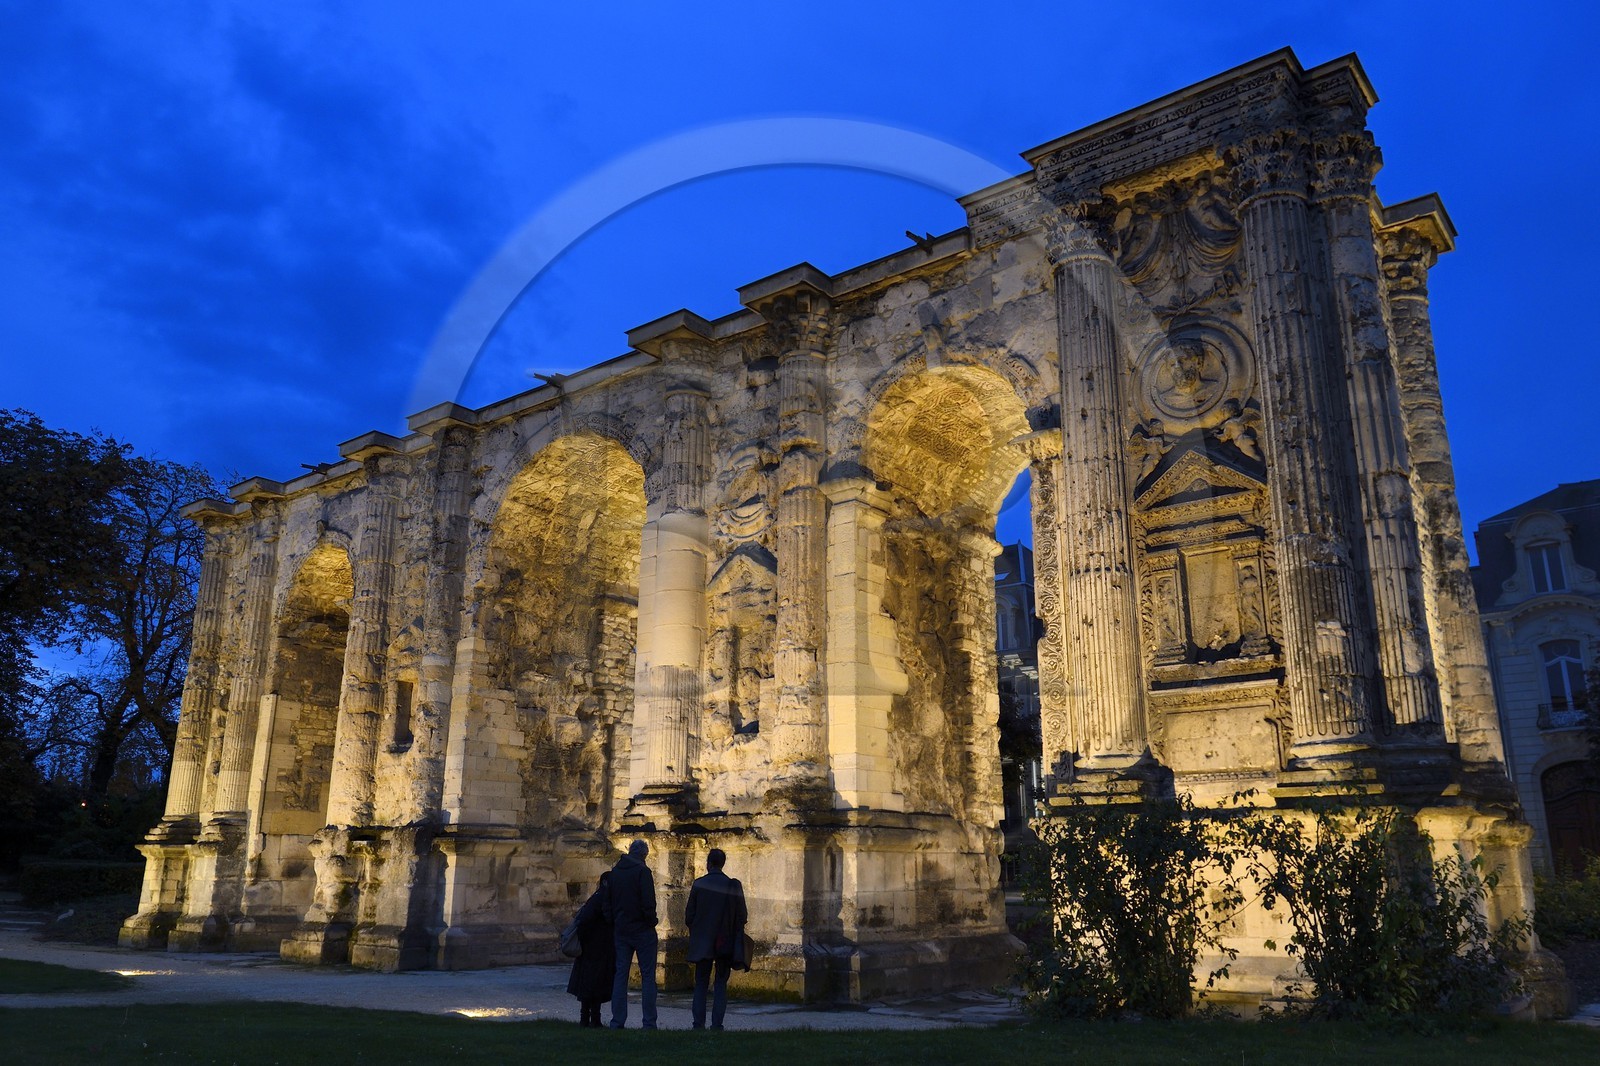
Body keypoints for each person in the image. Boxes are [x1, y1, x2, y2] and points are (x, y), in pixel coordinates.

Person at [684, 847, 748, 1031]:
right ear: (722, 864)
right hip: (724, 941)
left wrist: (698, 931)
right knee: (720, 983)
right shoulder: (732, 885)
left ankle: (698, 1023)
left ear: (708, 864)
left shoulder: (699, 884)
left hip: (703, 941)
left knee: (701, 983)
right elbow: (742, 916)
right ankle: (717, 1024)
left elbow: (689, 916)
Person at [603, 838, 658, 1029]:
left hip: (621, 930)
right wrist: (652, 922)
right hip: (642, 930)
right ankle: (649, 1022)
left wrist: (614, 922)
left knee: (620, 976)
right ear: (644, 855)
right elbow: (648, 903)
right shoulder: (643, 872)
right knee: (648, 976)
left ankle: (617, 1021)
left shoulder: (615, 873)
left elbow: (607, 903)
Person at [565, 870, 616, 1028]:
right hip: (595, 949)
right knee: (593, 985)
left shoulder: (598, 897)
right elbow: (587, 921)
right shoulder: (602, 899)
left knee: (592, 985)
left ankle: (590, 1019)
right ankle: (590, 1019)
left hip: (593, 949)